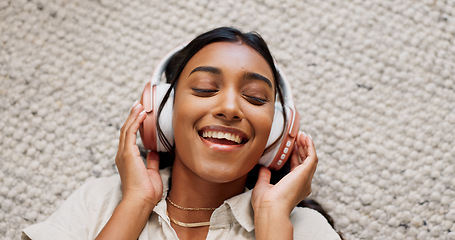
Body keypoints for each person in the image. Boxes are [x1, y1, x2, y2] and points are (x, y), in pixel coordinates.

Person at [22, 27, 342, 240]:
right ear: (162, 112)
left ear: (278, 132)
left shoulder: (304, 231)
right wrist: (135, 204)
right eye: (205, 89)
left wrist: (272, 222)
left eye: (256, 97)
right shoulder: (100, 202)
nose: (230, 108)